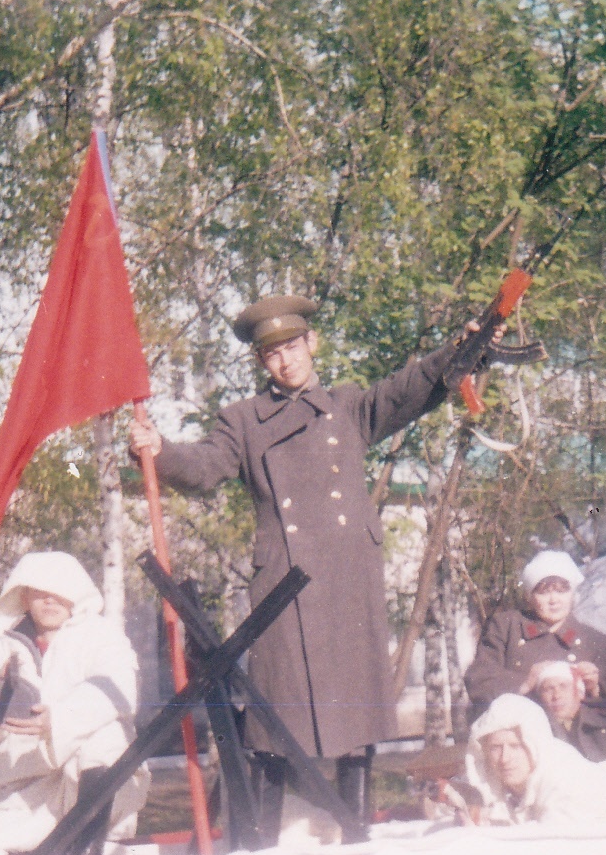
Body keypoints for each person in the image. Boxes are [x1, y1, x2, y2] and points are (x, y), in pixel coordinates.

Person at [129, 295, 507, 816]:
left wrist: (463, 350)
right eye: (272, 355)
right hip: (283, 580)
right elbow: (204, 468)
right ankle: (264, 838)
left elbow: (411, 388)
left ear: (312, 343)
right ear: (263, 363)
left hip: (349, 573)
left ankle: (355, 824)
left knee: (357, 712)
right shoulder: (242, 420)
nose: (285, 361)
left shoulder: (348, 407)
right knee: (276, 714)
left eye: (292, 347)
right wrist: (160, 451)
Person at [0, 552, 148, 855]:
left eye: (59, 590)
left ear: (75, 593)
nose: (49, 600)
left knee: (106, 731)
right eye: (39, 591)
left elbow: (121, 692)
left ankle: (86, 847)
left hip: (94, 789)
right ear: (23, 595)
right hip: (27, 791)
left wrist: (58, 720)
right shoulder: (2, 645)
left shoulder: (100, 635)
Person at [460, 694, 606, 827]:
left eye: (516, 746)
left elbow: (551, 843)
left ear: (535, 745)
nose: (505, 758)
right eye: (496, 748)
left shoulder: (564, 777)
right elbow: (459, 798)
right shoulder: (490, 775)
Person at [465, 550, 606, 719]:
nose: (554, 600)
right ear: (530, 597)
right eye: (544, 592)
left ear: (573, 594)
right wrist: (525, 683)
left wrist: (595, 688)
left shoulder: (593, 638)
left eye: (562, 591)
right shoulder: (507, 627)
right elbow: (479, 681)